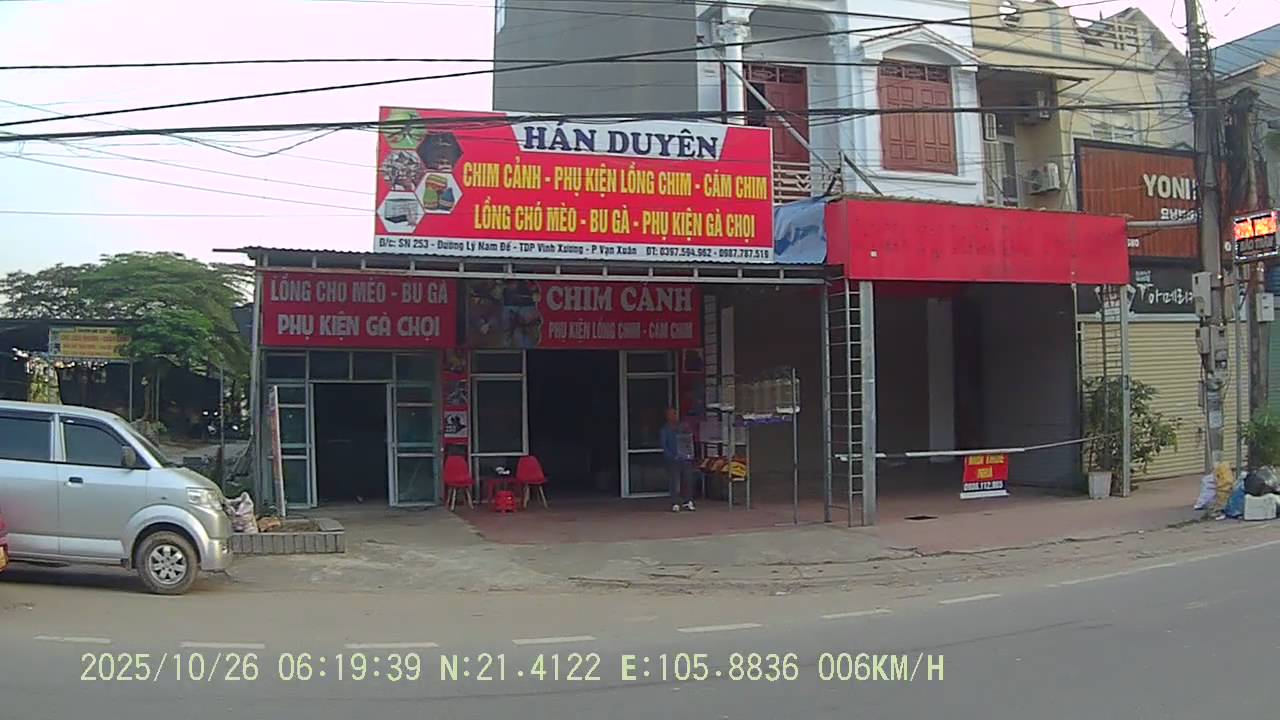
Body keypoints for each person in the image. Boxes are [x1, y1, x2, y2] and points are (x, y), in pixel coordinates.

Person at [660, 407, 695, 512]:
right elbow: (664, 445)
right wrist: (671, 456)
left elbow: (688, 439)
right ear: (667, 416)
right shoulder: (665, 430)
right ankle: (675, 502)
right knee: (675, 481)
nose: (673, 416)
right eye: (670, 414)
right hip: (673, 459)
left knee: (688, 480)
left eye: (674, 414)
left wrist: (689, 453)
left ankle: (688, 501)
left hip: (685, 458)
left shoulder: (682, 427)